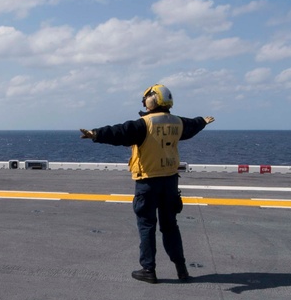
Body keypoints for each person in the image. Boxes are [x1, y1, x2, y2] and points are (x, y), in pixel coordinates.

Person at [79, 84, 215, 284]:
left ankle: (148, 270)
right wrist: (203, 121)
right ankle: (182, 269)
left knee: (147, 225)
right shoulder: (178, 123)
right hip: (170, 182)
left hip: (148, 182)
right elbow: (193, 124)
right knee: (170, 226)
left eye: (146, 99)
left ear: (152, 99)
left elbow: (120, 132)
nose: (144, 102)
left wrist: (96, 134)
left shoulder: (145, 124)